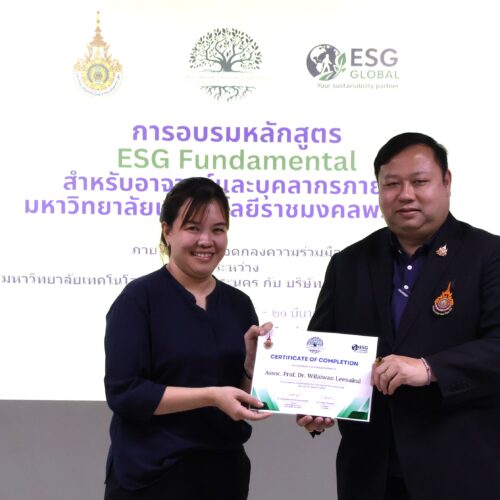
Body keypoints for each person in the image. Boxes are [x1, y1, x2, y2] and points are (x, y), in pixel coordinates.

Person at [297, 132, 500, 499]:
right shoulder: (348, 264)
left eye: (419, 182)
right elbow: (321, 351)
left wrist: (429, 368)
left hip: (461, 471)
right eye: (391, 184)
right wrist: (315, 403)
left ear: (446, 182)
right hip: (369, 474)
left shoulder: (488, 255)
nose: (405, 194)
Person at [103, 177, 272, 500]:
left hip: (223, 475)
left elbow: (241, 397)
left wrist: (251, 367)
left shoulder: (239, 304)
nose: (206, 240)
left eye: (218, 230)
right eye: (193, 228)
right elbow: (125, 393)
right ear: (167, 231)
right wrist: (210, 396)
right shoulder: (138, 299)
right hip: (151, 476)